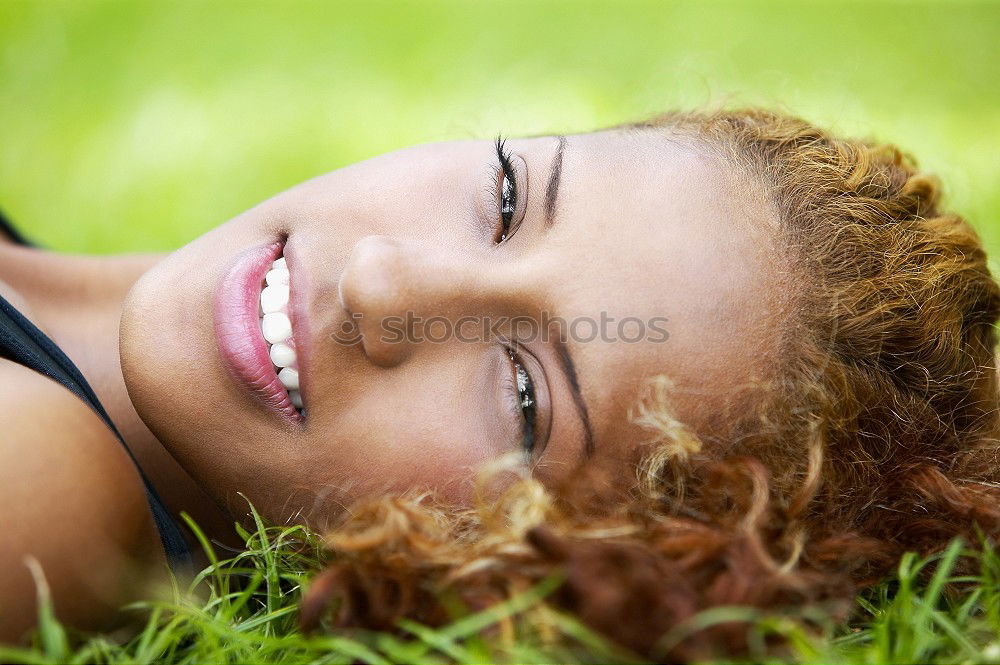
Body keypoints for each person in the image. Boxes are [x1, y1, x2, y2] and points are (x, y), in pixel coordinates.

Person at [2, 108, 998, 657]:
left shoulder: (45, 488)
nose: (385, 281)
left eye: (525, 400)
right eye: (510, 197)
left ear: (528, 574)